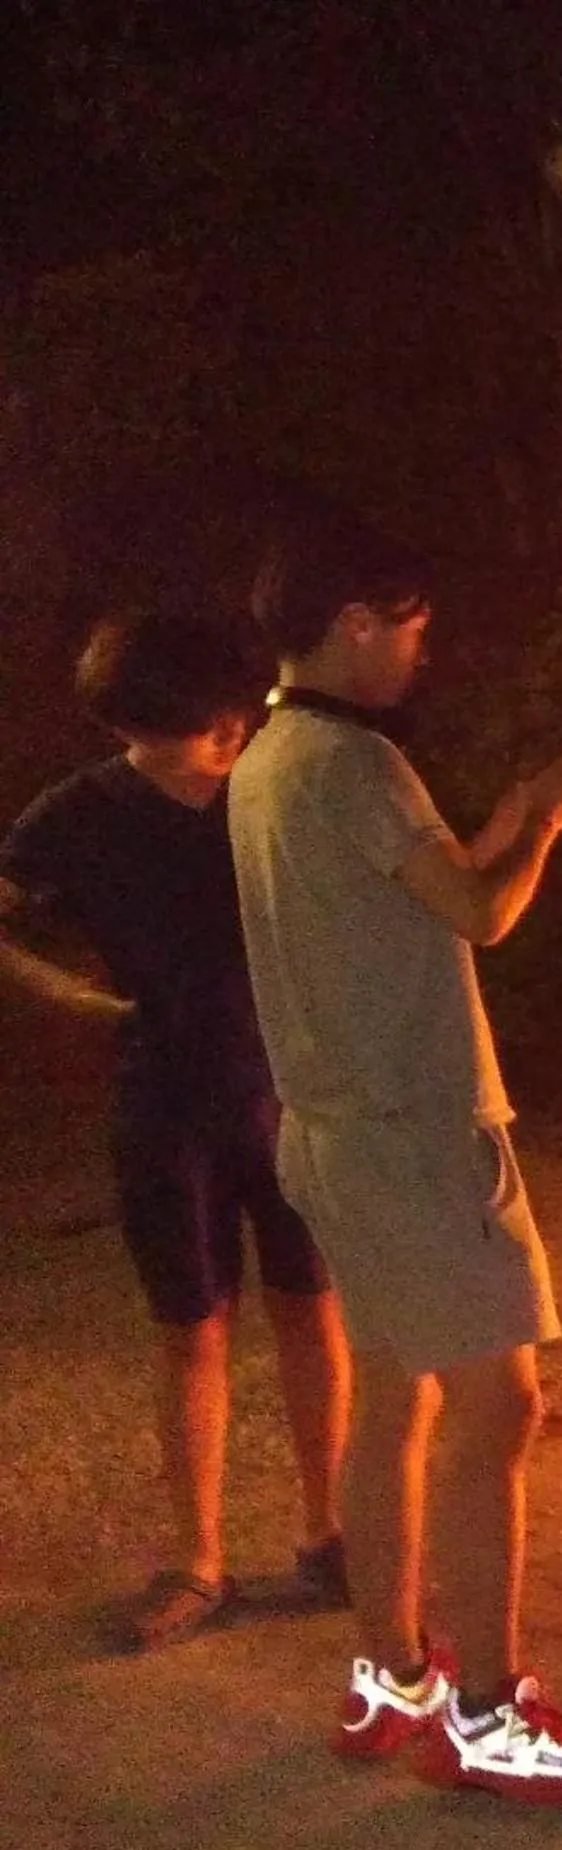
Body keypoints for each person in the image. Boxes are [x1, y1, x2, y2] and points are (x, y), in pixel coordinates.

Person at [228, 521, 562, 1801]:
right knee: (499, 1408)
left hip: (332, 1129)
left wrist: (500, 819)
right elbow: (482, 911)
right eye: (410, 627)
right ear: (356, 621)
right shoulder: (358, 761)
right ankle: (488, 1714)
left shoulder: (266, 759)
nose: (419, 650)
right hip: (415, 1132)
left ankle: (391, 1671)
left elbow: (429, 884)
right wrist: (543, 830)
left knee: (394, 1400)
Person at [0, 613, 349, 1650]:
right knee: (192, 1329)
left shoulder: (272, 788)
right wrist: (69, 998)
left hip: (292, 1092)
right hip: (166, 1106)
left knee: (312, 1310)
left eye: (235, 718)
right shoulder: (80, 816)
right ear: (129, 727)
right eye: (202, 729)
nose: (229, 739)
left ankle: (332, 1534)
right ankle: (198, 1561)